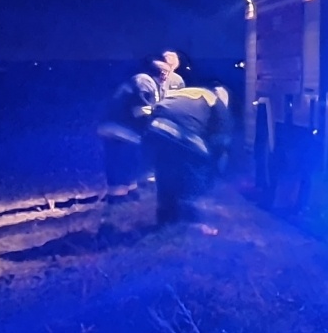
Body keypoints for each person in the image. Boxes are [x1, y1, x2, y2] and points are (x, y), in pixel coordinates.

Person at [145, 84, 233, 232]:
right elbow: (221, 139)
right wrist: (216, 165)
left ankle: (165, 219)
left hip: (154, 129)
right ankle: (194, 223)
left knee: (165, 172)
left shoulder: (188, 92)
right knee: (196, 170)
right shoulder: (217, 102)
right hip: (182, 130)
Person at [96, 55, 172, 197]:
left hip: (123, 130)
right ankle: (117, 196)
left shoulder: (151, 84)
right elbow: (140, 111)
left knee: (127, 161)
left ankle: (127, 192)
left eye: (167, 72)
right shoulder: (143, 81)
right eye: (163, 72)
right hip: (120, 129)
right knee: (121, 161)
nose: (165, 75)